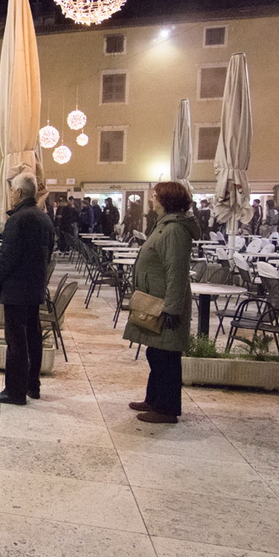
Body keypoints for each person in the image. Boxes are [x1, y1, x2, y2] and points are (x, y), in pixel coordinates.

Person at [123, 181, 199, 424]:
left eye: (154, 196)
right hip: (154, 300)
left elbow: (176, 271)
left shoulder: (174, 230)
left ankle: (166, 409)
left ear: (166, 200)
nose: (151, 199)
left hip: (164, 304)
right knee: (155, 352)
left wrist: (172, 308)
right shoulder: (164, 225)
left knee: (166, 356)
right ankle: (153, 399)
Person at [0, 172, 54, 405]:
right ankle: (32, 385)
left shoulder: (18, 219)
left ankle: (15, 391)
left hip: (16, 289)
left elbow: (7, 257)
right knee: (33, 337)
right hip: (34, 287)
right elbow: (49, 254)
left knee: (16, 342)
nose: (10, 194)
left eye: (11, 191)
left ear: (18, 192)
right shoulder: (44, 218)